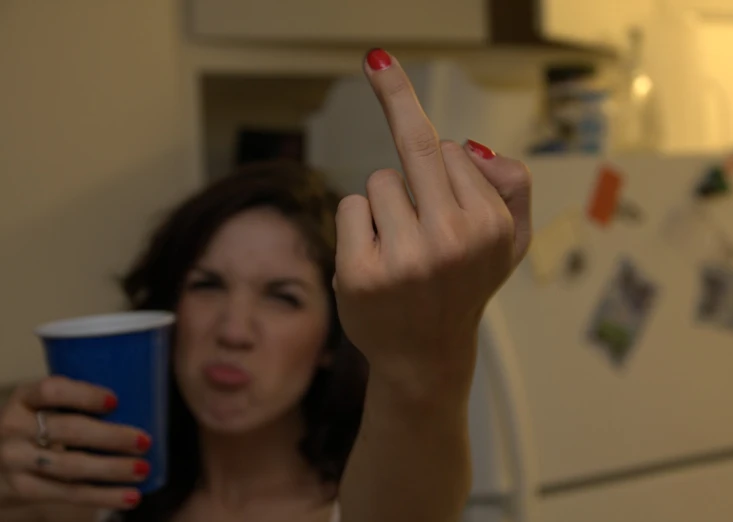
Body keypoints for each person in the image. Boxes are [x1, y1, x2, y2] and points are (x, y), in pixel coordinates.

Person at [0, 48, 532, 522]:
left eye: (283, 296)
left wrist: (435, 346)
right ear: (169, 312)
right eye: (207, 285)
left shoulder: (369, 502)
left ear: (329, 339)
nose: (233, 331)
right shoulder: (85, 501)